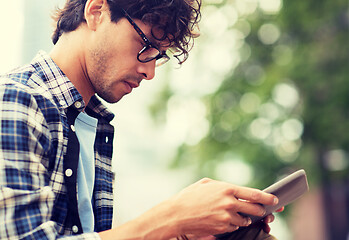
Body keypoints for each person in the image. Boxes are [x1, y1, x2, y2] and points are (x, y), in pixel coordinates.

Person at [0, 0, 283, 239]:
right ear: (97, 11)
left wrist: (182, 231)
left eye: (158, 56)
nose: (150, 72)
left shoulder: (93, 124)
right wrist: (172, 216)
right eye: (146, 44)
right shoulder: (16, 101)